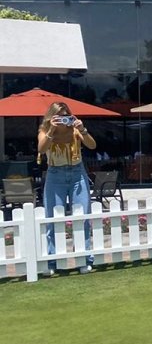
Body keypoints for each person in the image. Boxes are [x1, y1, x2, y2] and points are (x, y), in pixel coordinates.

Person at [36, 101, 97, 275]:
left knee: (83, 216)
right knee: (52, 218)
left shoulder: (75, 129)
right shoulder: (45, 131)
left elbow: (92, 145)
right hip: (55, 175)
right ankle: (52, 261)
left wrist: (83, 129)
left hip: (77, 173)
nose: (63, 119)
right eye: (58, 116)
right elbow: (41, 149)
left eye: (65, 115)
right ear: (51, 117)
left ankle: (85, 259)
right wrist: (51, 130)